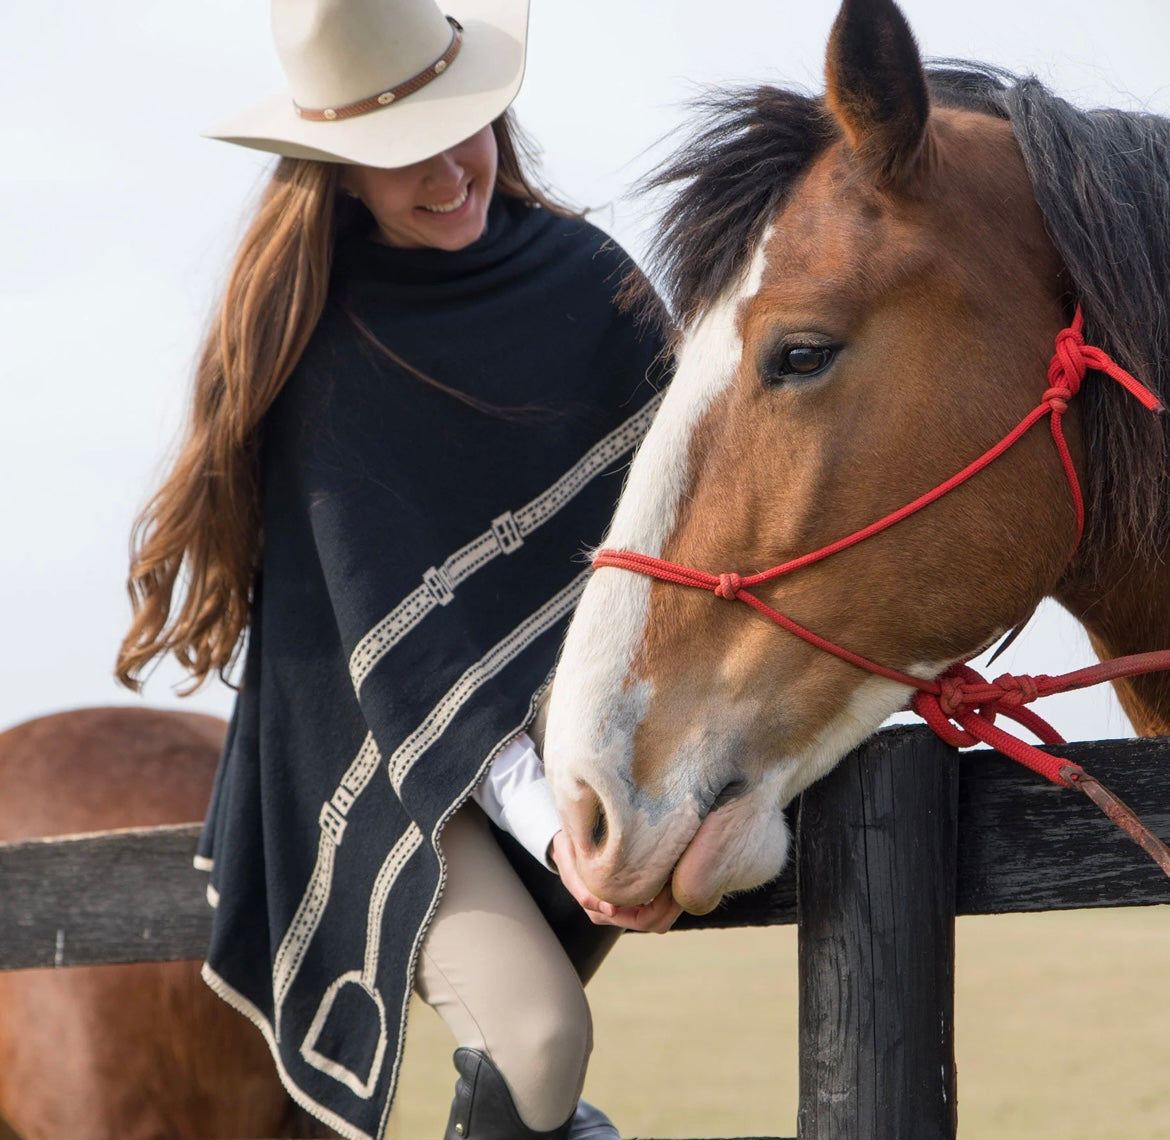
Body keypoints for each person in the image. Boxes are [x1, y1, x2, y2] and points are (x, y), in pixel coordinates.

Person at [115, 1, 678, 1137]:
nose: (442, 172)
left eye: (454, 128)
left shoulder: (589, 275)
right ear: (337, 175)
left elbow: (697, 516)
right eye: (393, 156)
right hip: (382, 755)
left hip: (577, 721)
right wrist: (553, 825)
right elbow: (407, 654)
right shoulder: (332, 353)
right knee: (538, 1039)